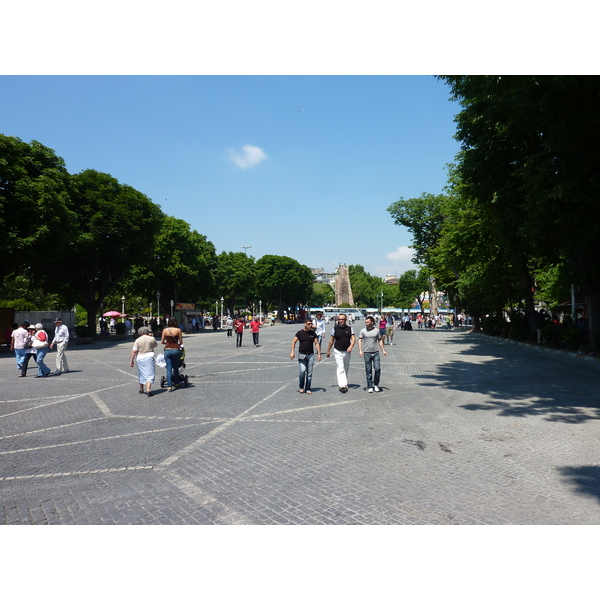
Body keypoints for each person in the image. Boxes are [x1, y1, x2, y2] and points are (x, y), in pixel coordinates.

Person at [290, 318, 322, 394]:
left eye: (311, 324)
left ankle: (308, 387)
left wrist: (319, 354)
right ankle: (301, 387)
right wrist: (292, 352)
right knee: (302, 371)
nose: (310, 325)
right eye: (308, 324)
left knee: (309, 373)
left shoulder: (313, 333)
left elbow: (316, 343)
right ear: (304, 324)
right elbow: (294, 342)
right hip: (302, 354)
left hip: (310, 355)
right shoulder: (300, 333)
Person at [326, 314, 356, 393]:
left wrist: (351, 346)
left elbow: (353, 339)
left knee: (346, 367)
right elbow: (331, 340)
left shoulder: (350, 329)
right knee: (340, 367)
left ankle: (344, 382)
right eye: (339, 319)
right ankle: (342, 385)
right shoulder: (335, 329)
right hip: (337, 350)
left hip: (347, 351)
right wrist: (328, 350)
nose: (340, 321)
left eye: (342, 319)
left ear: (345, 320)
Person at [358, 316, 387, 392]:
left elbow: (380, 340)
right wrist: (360, 350)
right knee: (368, 370)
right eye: (365, 322)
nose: (366, 323)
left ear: (372, 322)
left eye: (367, 322)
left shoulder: (377, 331)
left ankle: (376, 384)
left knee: (377, 369)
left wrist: (383, 350)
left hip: (376, 352)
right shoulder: (362, 331)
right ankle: (370, 385)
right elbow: (360, 340)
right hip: (367, 352)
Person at [130, 326, 158, 396]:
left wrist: (132, 360)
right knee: (150, 374)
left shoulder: (137, 340)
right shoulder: (151, 339)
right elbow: (156, 345)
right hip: (149, 357)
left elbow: (134, 351)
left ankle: (141, 389)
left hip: (140, 358)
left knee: (141, 373)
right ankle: (148, 390)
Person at [160, 317, 183, 392]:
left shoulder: (165, 330)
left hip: (168, 349)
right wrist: (177, 344)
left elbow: (162, 341)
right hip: (176, 349)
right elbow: (181, 342)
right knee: (176, 367)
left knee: (169, 368)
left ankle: (169, 386)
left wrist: (167, 343)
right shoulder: (178, 330)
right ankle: (176, 383)